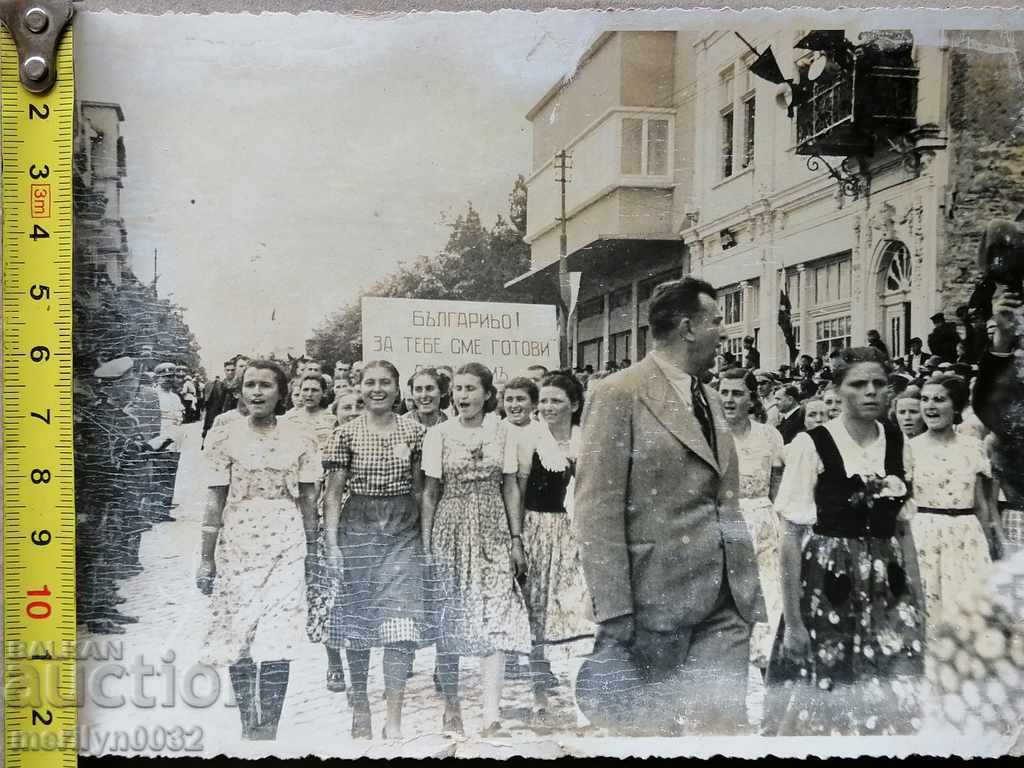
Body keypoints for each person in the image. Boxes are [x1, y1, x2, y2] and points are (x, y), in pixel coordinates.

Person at [574, 277, 763, 736]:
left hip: (726, 603)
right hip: (654, 605)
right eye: (716, 320)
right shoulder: (619, 393)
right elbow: (596, 509)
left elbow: (725, 498)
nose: (724, 330)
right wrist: (614, 611)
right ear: (687, 327)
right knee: (651, 735)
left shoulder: (711, 398)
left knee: (719, 732)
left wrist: (745, 589)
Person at [765, 347, 925, 736]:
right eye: (859, 384)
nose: (871, 392)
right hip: (829, 581)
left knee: (894, 680)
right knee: (829, 683)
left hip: (888, 584)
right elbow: (791, 539)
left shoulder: (897, 441)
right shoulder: (812, 444)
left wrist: (917, 601)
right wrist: (795, 623)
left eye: (879, 383)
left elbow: (903, 530)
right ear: (838, 389)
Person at [196, 360, 321, 741]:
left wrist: (313, 552)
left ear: (281, 393)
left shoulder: (300, 437)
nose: (256, 392)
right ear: (240, 391)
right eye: (250, 385)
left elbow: (309, 501)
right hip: (238, 542)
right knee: (240, 630)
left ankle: (270, 727)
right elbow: (214, 501)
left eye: (265, 385)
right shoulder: (225, 436)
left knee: (279, 631)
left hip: (286, 540)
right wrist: (205, 559)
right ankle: (248, 722)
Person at [421, 362, 531, 737]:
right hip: (450, 527)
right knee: (449, 614)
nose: (462, 395)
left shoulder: (504, 432)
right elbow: (430, 493)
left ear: (487, 394)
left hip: (493, 527)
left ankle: (491, 715)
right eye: (458, 389)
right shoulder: (438, 434)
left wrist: (516, 539)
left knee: (496, 612)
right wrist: (427, 546)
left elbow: (510, 486)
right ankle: (452, 707)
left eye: (470, 388)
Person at [321, 360, 429, 740]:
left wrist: (425, 538)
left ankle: (394, 717)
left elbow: (421, 491)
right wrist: (332, 543)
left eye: (386, 382)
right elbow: (332, 495)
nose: (377, 389)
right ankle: (361, 705)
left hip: (402, 529)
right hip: (358, 527)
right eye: (370, 382)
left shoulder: (415, 432)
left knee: (401, 621)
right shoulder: (345, 434)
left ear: (398, 389)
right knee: (358, 619)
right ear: (360, 386)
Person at [517, 371, 594, 725]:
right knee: (535, 612)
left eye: (556, 401)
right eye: (544, 400)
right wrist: (516, 538)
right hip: (537, 531)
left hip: (576, 535)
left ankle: (582, 704)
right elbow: (517, 492)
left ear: (574, 405)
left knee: (578, 612)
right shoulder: (529, 439)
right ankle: (539, 697)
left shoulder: (586, 440)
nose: (547, 407)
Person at [911, 374, 1001, 644]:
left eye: (939, 400)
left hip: (965, 538)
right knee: (927, 612)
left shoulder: (973, 448)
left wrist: (988, 542)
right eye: (925, 399)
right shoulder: (909, 448)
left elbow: (981, 504)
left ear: (956, 406)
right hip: (923, 537)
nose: (930, 406)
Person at [717, 368, 785, 676]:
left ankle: (767, 676)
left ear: (752, 398)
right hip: (725, 522)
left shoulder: (769, 435)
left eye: (737, 393)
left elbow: (777, 485)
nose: (729, 399)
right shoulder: (711, 435)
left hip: (763, 524)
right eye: (724, 392)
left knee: (768, 601)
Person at [151, 362, 185, 522]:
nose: (168, 380)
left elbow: (179, 419)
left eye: (171, 376)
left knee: (170, 474)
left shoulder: (175, 397)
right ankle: (153, 510)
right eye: (165, 377)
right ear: (158, 378)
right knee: (158, 474)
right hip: (160, 439)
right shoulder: (154, 396)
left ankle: (163, 511)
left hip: (175, 441)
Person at [282, 374, 337, 450]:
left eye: (314, 390)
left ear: (324, 393)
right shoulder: (289, 418)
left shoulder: (332, 418)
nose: (309, 394)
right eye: (305, 390)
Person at [202, 356, 239, 446]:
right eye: (228, 370)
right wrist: (206, 427)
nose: (230, 372)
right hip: (220, 419)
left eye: (232, 370)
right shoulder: (218, 386)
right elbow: (211, 409)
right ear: (224, 371)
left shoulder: (240, 386)